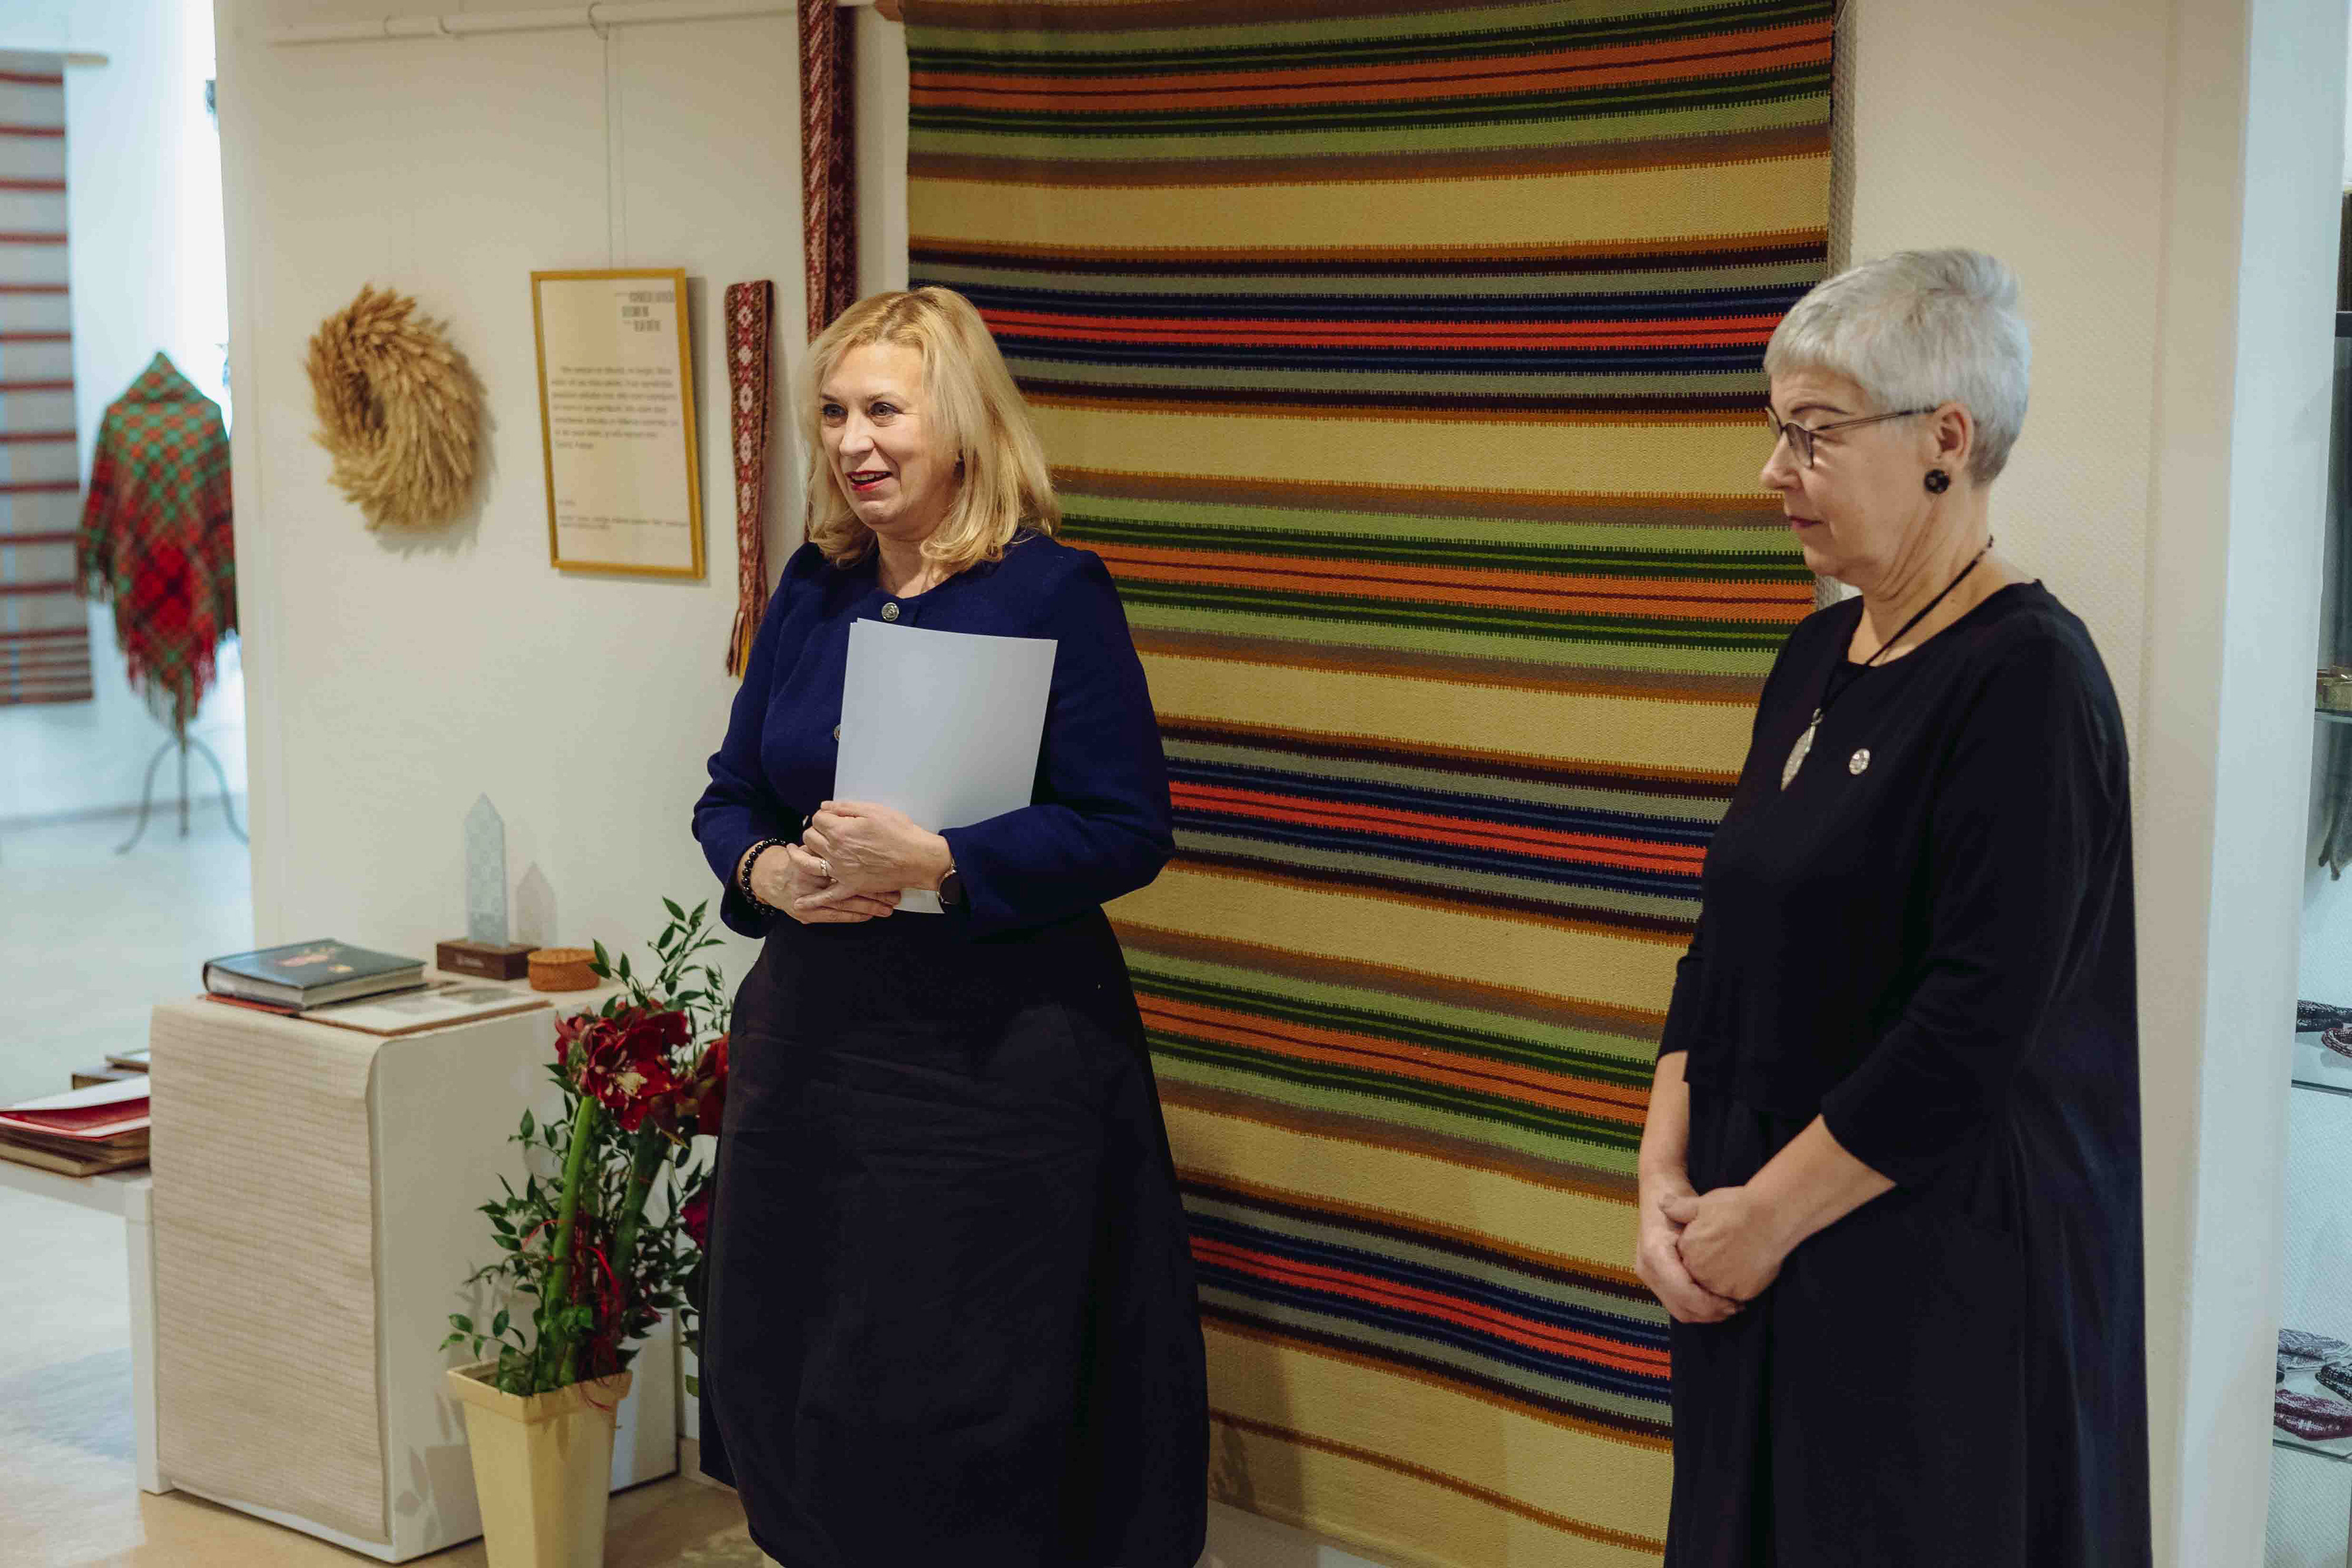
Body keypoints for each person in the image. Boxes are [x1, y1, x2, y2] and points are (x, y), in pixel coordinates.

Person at [1634, 249, 2149, 1567]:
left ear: (1946, 441)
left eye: (1813, 432)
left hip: (1918, 1275)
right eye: (1776, 428)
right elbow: (1725, 936)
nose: (1773, 470)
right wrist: (1663, 1175)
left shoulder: (2029, 680)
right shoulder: (1817, 649)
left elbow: (1971, 1025)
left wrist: (1765, 1217)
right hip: (1750, 1243)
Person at [690, 286, 1208, 1568]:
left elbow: (1128, 825)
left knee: (969, 1388)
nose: (853, 441)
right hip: (815, 1057)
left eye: (884, 410)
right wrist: (767, 872)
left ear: (962, 422)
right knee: (806, 1369)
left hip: (994, 1071)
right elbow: (730, 792)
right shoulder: (813, 588)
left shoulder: (1051, 589)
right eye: (832, 413)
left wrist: (949, 861)